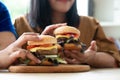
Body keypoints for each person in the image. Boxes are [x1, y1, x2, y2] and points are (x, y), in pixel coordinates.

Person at [14, 0, 120, 68]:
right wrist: (41, 47)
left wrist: (91, 58)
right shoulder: (20, 24)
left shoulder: (91, 24)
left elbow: (114, 59)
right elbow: (7, 60)